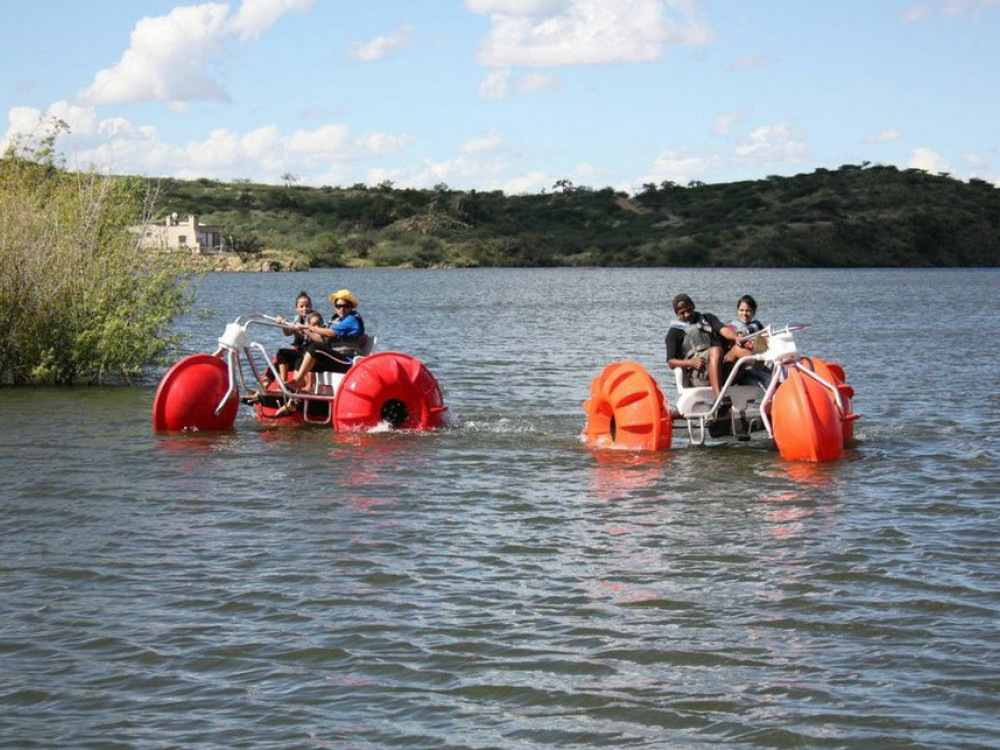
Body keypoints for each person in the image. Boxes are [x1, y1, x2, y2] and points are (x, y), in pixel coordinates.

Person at [273, 289, 365, 415]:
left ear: (351, 306)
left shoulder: (351, 320)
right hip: (335, 358)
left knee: (315, 347)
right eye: (338, 306)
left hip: (346, 361)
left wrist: (308, 327)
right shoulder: (337, 320)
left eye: (345, 306)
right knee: (301, 359)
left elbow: (330, 333)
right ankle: (293, 403)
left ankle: (297, 381)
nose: (342, 309)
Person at [247, 291, 320, 403]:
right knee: (280, 355)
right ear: (296, 308)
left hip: (310, 353)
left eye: (307, 306)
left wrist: (303, 329)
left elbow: (316, 337)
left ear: (311, 306)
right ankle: (271, 387)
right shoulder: (297, 318)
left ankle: (290, 392)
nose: (304, 309)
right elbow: (288, 333)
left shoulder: (315, 318)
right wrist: (282, 324)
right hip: (301, 350)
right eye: (301, 306)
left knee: (299, 361)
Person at [665, 293, 739, 396]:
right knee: (716, 350)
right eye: (682, 313)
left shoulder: (708, 318)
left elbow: (723, 330)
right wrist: (690, 362)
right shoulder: (674, 332)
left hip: (722, 369)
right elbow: (671, 362)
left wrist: (736, 338)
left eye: (689, 310)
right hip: (700, 374)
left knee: (740, 349)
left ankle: (765, 393)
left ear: (693, 306)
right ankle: (718, 397)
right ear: (677, 314)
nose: (687, 314)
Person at [723, 294, 765, 365]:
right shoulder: (731, 327)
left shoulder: (758, 325)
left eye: (748, 311)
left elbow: (764, 342)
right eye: (741, 310)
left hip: (756, 354)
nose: (744, 313)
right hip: (735, 359)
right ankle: (756, 363)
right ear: (738, 310)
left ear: (753, 312)